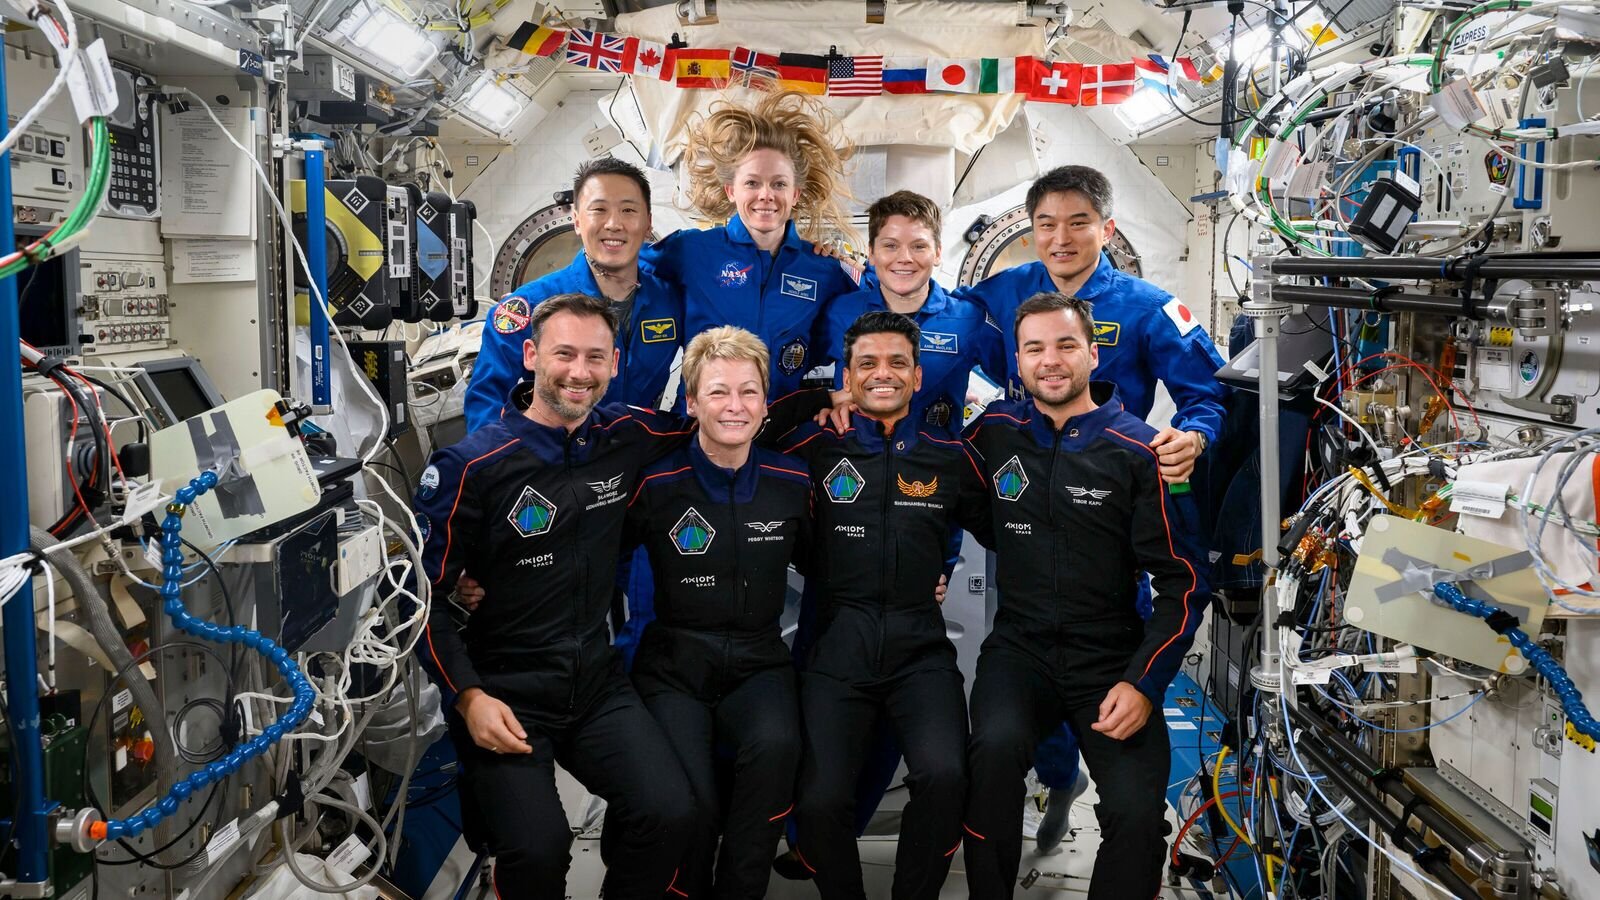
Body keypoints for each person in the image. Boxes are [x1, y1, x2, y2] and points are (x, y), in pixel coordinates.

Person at [961, 164, 1227, 843]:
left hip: (1112, 499)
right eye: (1046, 224)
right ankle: (1056, 776)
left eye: (1078, 222)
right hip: (1027, 492)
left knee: (1103, 638)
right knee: (1022, 655)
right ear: (1030, 230)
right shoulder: (1001, 292)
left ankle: (1095, 757)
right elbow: (934, 319)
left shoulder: (1148, 305)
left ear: (1106, 228)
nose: (1061, 238)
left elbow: (1208, 390)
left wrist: (1192, 437)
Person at [415, 293, 696, 899]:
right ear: (530, 355)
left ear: (615, 363)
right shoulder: (472, 466)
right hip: (505, 691)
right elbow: (418, 603)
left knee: (670, 812)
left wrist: (829, 403)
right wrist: (467, 699)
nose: (579, 371)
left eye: (595, 357)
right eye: (564, 353)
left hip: (594, 682)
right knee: (540, 850)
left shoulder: (626, 434)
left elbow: (727, 418)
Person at [962, 293, 1209, 900]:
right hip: (1018, 650)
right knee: (987, 765)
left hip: (1110, 657)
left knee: (1133, 813)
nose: (1051, 361)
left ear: (1093, 354)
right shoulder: (993, 434)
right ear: (1016, 363)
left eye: (1066, 345)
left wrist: (1144, 684)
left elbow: (1185, 582)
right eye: (1035, 348)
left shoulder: (1139, 452)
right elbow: (929, 483)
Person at [778, 311, 993, 900]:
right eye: (867, 363)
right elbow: (739, 433)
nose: (883, 374)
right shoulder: (814, 444)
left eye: (898, 362)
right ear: (846, 375)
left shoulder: (948, 457)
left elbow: (1016, 526)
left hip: (919, 648)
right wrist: (813, 402)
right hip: (835, 643)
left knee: (946, 776)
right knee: (819, 800)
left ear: (918, 377)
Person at [623, 326, 812, 900]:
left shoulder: (792, 480)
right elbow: (588, 557)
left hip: (760, 661)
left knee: (778, 753)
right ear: (691, 402)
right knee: (693, 804)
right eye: (718, 392)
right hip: (675, 663)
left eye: (749, 392)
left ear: (765, 402)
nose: (735, 406)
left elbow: (838, 562)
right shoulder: (656, 483)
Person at [643, 89, 860, 401]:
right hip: (700, 426)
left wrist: (862, 271)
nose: (766, 195)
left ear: (795, 194)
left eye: (779, 184)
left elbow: (866, 325)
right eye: (752, 183)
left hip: (785, 431)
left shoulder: (824, 269)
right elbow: (622, 276)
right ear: (731, 190)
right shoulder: (690, 252)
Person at [464, 158, 682, 432]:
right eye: (599, 210)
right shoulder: (529, 305)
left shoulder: (670, 301)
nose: (614, 223)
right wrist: (514, 466)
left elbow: (705, 370)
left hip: (637, 456)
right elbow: (486, 401)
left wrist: (676, 436)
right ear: (577, 221)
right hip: (555, 460)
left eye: (628, 210)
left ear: (648, 222)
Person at [820, 190, 1005, 428]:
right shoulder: (840, 312)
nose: (904, 258)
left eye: (918, 246)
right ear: (872, 253)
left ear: (937, 253)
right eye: (890, 246)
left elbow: (1023, 383)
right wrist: (823, 403)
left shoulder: (969, 319)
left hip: (937, 460)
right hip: (854, 457)